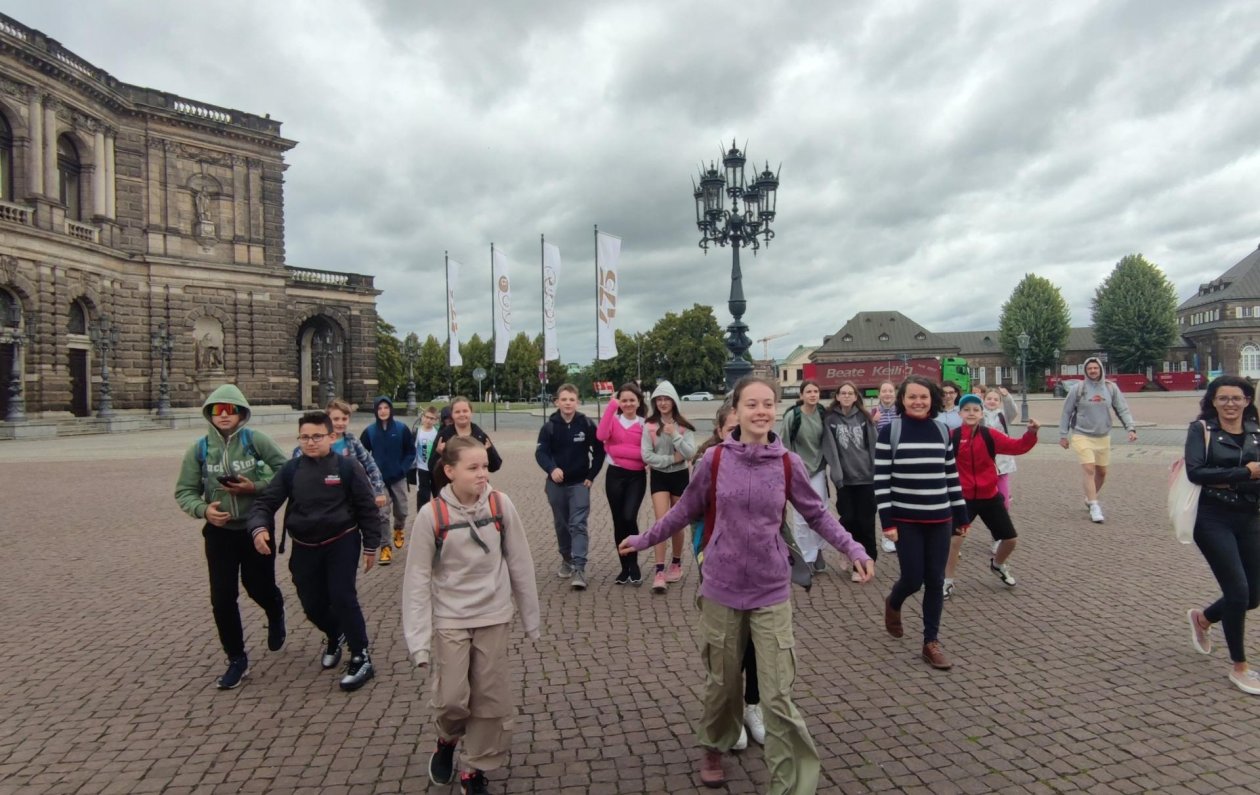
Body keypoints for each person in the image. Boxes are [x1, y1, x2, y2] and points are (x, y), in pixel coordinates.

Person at [620, 376, 874, 793]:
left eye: (768, 404)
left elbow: (817, 514)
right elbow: (684, 511)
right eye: (751, 404)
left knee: (777, 693)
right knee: (722, 683)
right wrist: (645, 539)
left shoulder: (787, 462)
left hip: (771, 588)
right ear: (735, 411)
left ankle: (792, 783)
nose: (760, 412)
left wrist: (854, 549)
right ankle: (714, 745)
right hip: (720, 585)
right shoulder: (714, 461)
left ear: (775, 409)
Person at [403, 436, 541, 793]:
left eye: (485, 467)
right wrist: (418, 642)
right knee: (452, 698)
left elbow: (520, 563)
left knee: (489, 697)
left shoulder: (500, 504)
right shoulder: (431, 515)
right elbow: (416, 580)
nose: (483, 474)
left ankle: (474, 768)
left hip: (494, 614)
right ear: (449, 471)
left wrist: (531, 619)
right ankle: (447, 739)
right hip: (450, 618)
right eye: (473, 468)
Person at [246, 411, 385, 692]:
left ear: (332, 437)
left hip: (341, 541)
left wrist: (371, 544)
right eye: (305, 437)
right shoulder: (292, 470)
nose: (310, 442)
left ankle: (361, 655)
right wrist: (259, 527)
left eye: (317, 436)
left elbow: (367, 508)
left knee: (343, 596)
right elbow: (265, 502)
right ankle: (335, 634)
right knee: (311, 604)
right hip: (305, 546)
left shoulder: (348, 468)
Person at [174, 385, 291, 690]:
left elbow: (286, 472)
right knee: (222, 598)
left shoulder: (256, 441)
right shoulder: (199, 449)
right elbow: (184, 491)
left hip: (254, 525)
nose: (224, 416)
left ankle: (275, 608)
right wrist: (203, 510)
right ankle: (236, 658)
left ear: (241, 413)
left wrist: (253, 487)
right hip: (219, 532)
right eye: (217, 410)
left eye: (230, 409)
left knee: (258, 586)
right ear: (209, 414)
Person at [877, 375, 970, 670]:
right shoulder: (891, 432)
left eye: (924, 397)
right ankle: (894, 600)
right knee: (912, 578)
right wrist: (887, 522)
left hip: (940, 518)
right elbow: (881, 481)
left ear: (932, 399)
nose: (918, 402)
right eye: (912, 397)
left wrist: (961, 514)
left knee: (935, 580)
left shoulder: (942, 430)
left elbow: (951, 475)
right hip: (906, 520)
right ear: (903, 400)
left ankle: (931, 642)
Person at [690, 403, 763, 750]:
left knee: (757, 644)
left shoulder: (769, 460)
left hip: (760, 569)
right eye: (733, 428)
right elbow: (689, 514)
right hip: (719, 563)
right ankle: (728, 714)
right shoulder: (709, 463)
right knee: (726, 645)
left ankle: (753, 705)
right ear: (720, 431)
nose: (741, 434)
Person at [1183, 376, 1260, 695]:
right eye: (1223, 398)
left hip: (1251, 514)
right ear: (1212, 401)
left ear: (1247, 400)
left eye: (1237, 398)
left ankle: (1203, 618)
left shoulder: (1257, 432)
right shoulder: (1201, 430)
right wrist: (1245, 473)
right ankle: (1239, 667)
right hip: (1212, 517)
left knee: (1253, 596)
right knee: (1238, 591)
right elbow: (1196, 472)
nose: (1230, 404)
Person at [942, 394, 1039, 598]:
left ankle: (998, 564)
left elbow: (1017, 446)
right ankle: (947, 580)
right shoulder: (952, 436)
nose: (971, 413)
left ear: (981, 413)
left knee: (1010, 539)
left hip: (989, 496)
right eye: (966, 410)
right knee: (955, 541)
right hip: (963, 498)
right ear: (960, 413)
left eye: (975, 410)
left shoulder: (990, 435)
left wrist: (1031, 433)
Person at [535, 383, 606, 590]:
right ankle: (567, 558)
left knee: (578, 524)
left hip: (579, 483)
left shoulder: (586, 424)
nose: (568, 403)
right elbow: (541, 453)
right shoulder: (549, 427)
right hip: (556, 485)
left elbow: (600, 451)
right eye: (564, 399)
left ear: (577, 401)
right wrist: (551, 469)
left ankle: (580, 568)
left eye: (572, 399)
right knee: (562, 524)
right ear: (557, 402)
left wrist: (592, 475)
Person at [1057, 356, 1137, 523]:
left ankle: (1089, 497)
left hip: (1103, 436)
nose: (1093, 371)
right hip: (1081, 434)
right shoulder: (1078, 389)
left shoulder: (1110, 388)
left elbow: (1122, 409)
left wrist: (1130, 428)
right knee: (1089, 469)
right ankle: (1094, 505)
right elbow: (1066, 412)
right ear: (1085, 371)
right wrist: (1063, 434)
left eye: (1096, 368)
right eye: (1089, 368)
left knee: (1102, 472)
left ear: (1101, 369)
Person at [641, 380, 697, 593]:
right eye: (659, 399)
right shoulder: (649, 426)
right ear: (655, 402)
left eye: (667, 399)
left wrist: (674, 434)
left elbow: (690, 453)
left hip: (680, 477)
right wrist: (672, 460)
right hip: (660, 478)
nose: (663, 403)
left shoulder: (684, 427)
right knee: (661, 522)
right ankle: (659, 570)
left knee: (677, 524)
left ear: (674, 401)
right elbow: (646, 455)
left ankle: (676, 562)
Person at [821, 381, 879, 579]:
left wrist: (876, 473)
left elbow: (873, 446)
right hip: (845, 480)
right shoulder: (830, 419)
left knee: (866, 521)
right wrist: (837, 475)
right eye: (842, 393)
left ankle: (864, 564)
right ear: (837, 396)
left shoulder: (864, 417)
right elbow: (830, 449)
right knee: (848, 519)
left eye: (850, 393)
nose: (846, 396)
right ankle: (848, 550)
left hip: (866, 478)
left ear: (856, 397)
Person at [780, 380, 835, 575]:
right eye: (809, 391)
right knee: (801, 516)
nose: (813, 394)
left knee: (820, 512)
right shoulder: (792, 416)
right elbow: (783, 443)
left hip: (818, 468)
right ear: (801, 395)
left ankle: (818, 550)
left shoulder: (824, 414)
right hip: (798, 471)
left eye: (816, 391)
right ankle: (805, 556)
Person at [597, 383, 648, 585]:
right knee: (618, 520)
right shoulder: (613, 419)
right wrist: (611, 406)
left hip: (636, 476)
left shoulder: (644, 424)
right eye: (624, 400)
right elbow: (601, 436)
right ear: (619, 401)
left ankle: (634, 563)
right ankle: (624, 567)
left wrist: (619, 451)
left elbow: (645, 454)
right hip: (615, 475)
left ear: (638, 402)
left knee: (629, 516)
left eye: (631, 400)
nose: (628, 404)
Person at [360, 396, 416, 564]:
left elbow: (410, 452)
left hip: (398, 477)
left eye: (386, 408)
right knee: (382, 514)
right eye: (379, 408)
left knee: (402, 510)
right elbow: (362, 454)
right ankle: (385, 547)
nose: (383, 411)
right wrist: (368, 472)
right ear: (376, 411)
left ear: (390, 410)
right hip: (379, 480)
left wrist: (403, 468)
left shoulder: (401, 429)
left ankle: (399, 528)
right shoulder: (369, 431)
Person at [429, 397, 503, 497]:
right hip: (451, 492)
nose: (462, 414)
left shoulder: (480, 435)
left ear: (471, 413)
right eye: (457, 412)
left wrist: (488, 452)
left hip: (478, 492)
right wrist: (438, 454)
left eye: (465, 411)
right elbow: (431, 467)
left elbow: (495, 466)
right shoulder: (444, 436)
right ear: (452, 414)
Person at [981, 387, 1020, 510]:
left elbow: (1013, 411)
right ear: (984, 399)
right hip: (984, 454)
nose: (992, 401)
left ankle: (1003, 509)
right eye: (989, 399)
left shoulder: (1003, 415)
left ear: (999, 402)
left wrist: (1007, 397)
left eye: (996, 399)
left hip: (1002, 456)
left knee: (1002, 483)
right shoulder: (979, 413)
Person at [411, 405, 440, 511]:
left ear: (436, 420)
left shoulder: (437, 432)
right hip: (422, 468)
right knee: (423, 495)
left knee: (438, 495)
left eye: (432, 418)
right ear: (422, 417)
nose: (428, 420)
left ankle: (439, 517)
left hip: (435, 469)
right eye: (426, 417)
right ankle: (422, 518)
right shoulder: (417, 432)